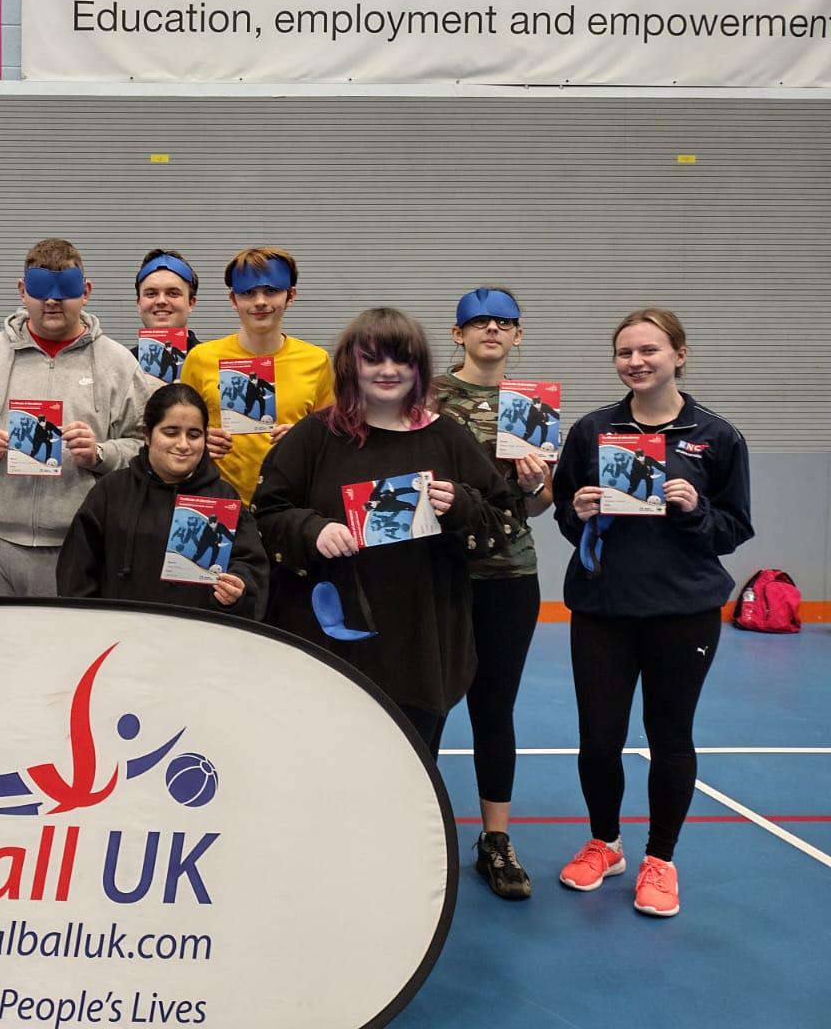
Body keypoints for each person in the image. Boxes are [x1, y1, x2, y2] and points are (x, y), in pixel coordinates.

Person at [552, 309, 752, 918]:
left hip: (683, 612)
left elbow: (735, 529)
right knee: (599, 738)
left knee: (670, 738)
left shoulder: (716, 437)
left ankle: (659, 860)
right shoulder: (592, 431)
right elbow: (564, 513)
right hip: (603, 609)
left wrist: (693, 509)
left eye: (649, 350)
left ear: (679, 355)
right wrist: (579, 509)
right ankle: (605, 843)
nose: (636, 362)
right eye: (624, 353)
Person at [255, 308, 520, 756]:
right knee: (327, 763)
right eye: (373, 359)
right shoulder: (314, 436)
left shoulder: (448, 438)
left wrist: (460, 505)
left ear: (419, 369)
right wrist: (311, 529)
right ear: (350, 365)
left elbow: (504, 522)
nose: (388, 371)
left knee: (411, 766)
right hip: (329, 636)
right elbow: (264, 515)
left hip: (422, 637)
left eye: (402, 360)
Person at [0, 238, 152, 597]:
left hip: (78, 539)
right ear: (23, 291)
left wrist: (101, 454)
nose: (52, 300)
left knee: (68, 651)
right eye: (40, 289)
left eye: (65, 289)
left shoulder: (119, 363)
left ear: (85, 291)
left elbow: (143, 447)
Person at [429, 286, 553, 901]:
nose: (492, 332)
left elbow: (537, 506)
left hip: (509, 573)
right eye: (479, 323)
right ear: (458, 335)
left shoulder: (530, 404)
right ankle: (417, 827)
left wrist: (538, 483)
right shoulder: (429, 399)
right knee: (428, 702)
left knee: (493, 709)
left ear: (518, 334)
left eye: (504, 323)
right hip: (438, 571)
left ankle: (495, 840)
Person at [58, 383, 267, 617]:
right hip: (121, 635)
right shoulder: (112, 490)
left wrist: (238, 589)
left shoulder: (224, 497)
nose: (183, 444)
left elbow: (250, 565)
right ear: (147, 435)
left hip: (200, 635)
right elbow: (77, 571)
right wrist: (86, 623)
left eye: (194, 434)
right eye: (170, 432)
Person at [178, 247, 334, 505]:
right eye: (248, 293)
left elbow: (332, 440)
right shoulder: (201, 358)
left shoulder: (316, 361)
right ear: (233, 299)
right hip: (218, 502)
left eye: (271, 291)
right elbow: (180, 430)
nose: (260, 301)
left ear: (290, 295)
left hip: (291, 504)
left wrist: (303, 437)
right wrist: (200, 440)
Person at [131, 250, 203, 378]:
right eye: (151, 294)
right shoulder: (121, 365)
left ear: (191, 303)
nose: (161, 301)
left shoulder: (212, 364)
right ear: (139, 303)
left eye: (173, 293)